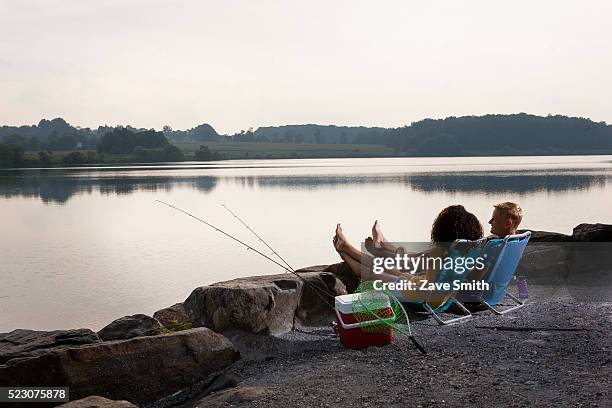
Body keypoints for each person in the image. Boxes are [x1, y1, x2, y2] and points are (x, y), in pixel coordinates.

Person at [332, 205, 484, 283]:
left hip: (423, 291)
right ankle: (355, 248)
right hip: (426, 286)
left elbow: (414, 264)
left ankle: (348, 249)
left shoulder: (444, 254)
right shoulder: (466, 250)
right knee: (394, 263)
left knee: (377, 269)